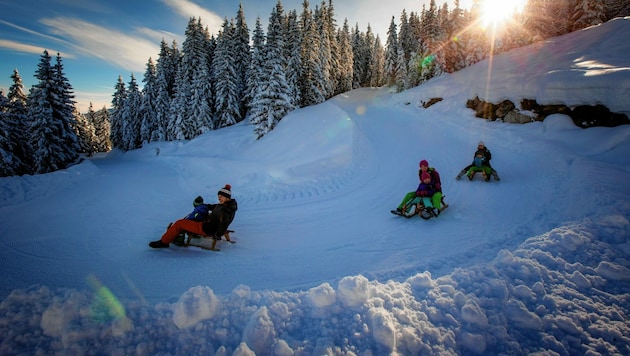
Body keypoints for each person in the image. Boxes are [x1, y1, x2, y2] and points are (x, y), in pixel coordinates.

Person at [150, 184, 238, 250]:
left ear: (227, 197)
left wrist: (217, 235)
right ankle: (175, 234)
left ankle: (164, 242)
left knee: (179, 223)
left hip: (206, 228)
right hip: (207, 223)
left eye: (221, 196)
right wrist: (205, 206)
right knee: (197, 215)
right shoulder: (227, 205)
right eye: (218, 196)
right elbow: (215, 206)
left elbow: (224, 223)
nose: (219, 198)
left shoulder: (225, 210)